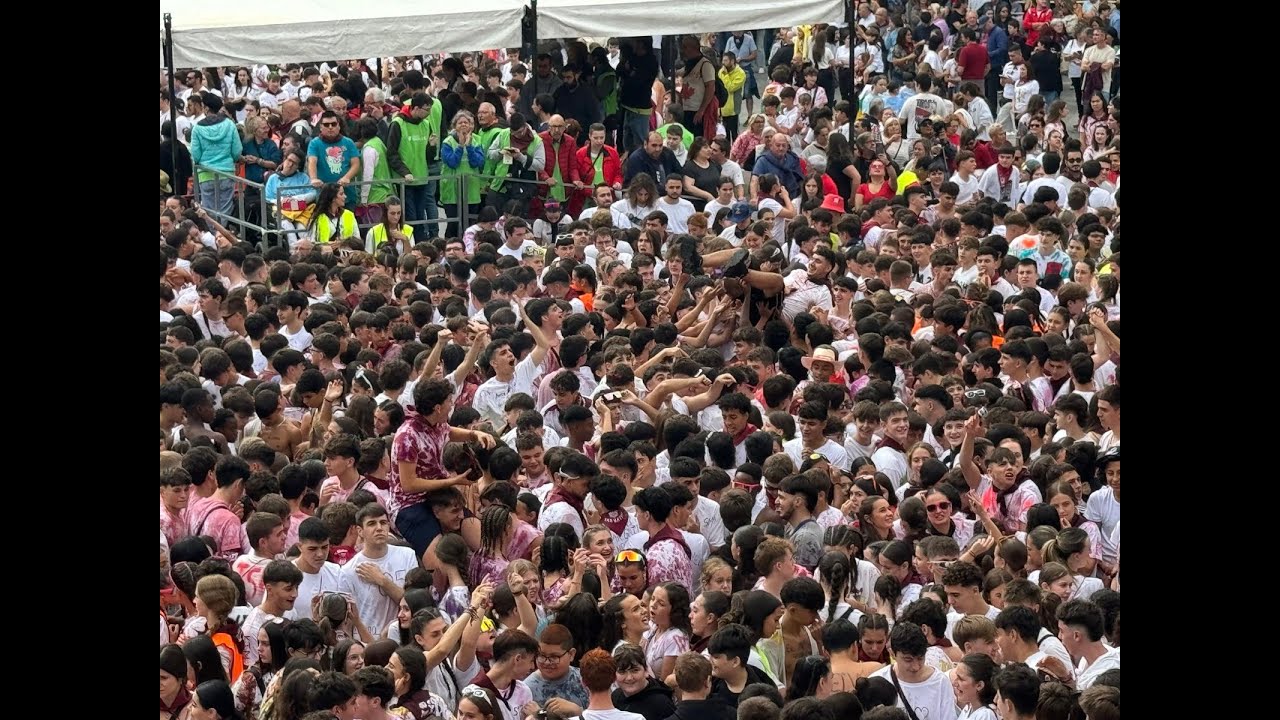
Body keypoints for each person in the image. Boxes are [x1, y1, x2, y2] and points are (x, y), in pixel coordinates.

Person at [867, 622, 957, 720]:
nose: (916, 667)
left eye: (920, 658)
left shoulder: (940, 682)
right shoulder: (877, 682)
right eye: (908, 660)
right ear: (892, 654)